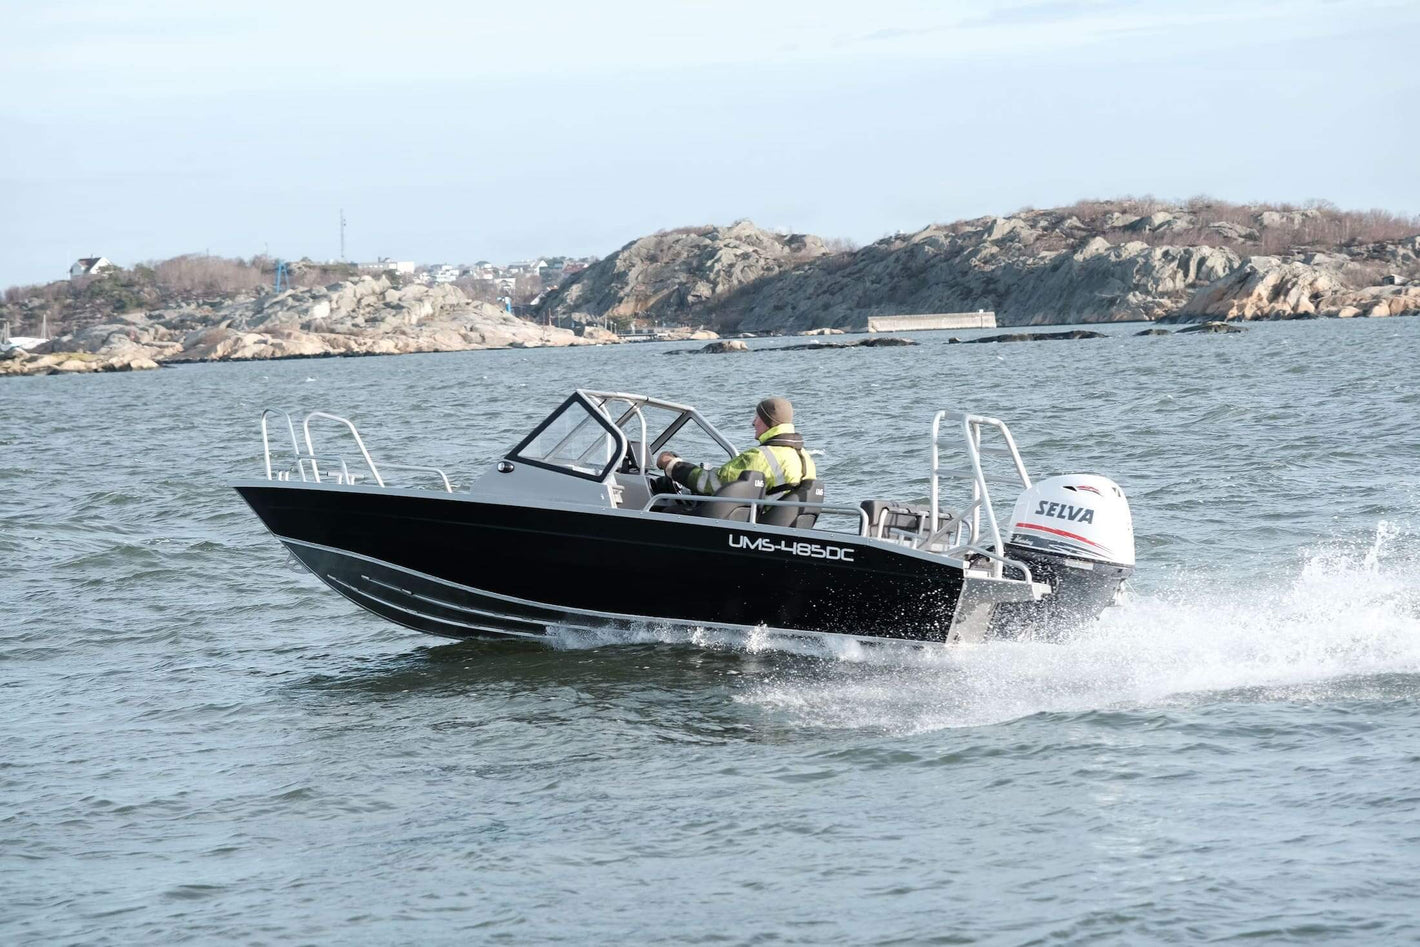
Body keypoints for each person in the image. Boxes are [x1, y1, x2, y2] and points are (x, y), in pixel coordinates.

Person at [656, 396, 816, 496]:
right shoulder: (804, 457)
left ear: (768, 423)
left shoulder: (760, 456)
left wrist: (672, 465)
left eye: (757, 418)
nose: (753, 422)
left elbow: (711, 483)